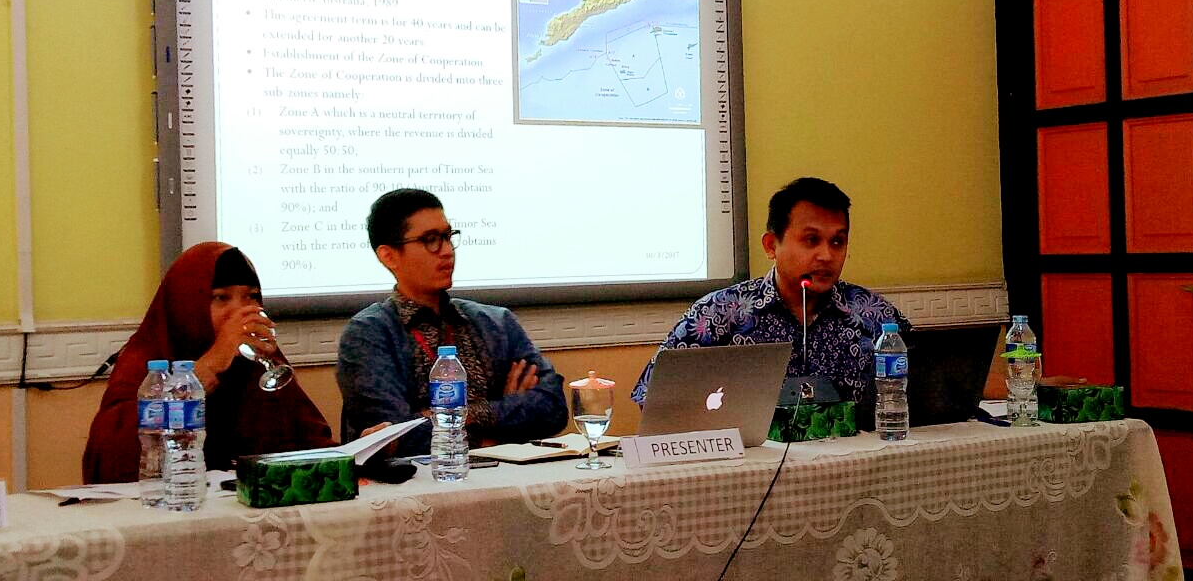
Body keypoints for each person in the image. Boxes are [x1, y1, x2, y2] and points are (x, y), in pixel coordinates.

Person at [631, 177, 911, 417]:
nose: (827, 255)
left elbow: (921, 393)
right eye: (811, 240)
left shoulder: (875, 314)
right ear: (771, 246)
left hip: (857, 459)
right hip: (749, 461)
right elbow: (653, 399)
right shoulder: (717, 314)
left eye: (837, 241)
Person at [337, 188, 568, 456]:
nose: (447, 251)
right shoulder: (368, 334)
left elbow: (553, 407)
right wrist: (498, 431)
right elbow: (392, 437)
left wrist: (471, 414)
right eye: (431, 240)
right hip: (419, 481)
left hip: (508, 475)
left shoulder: (496, 323)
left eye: (448, 237)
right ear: (389, 256)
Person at [83, 242, 333, 483]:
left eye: (251, 297)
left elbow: (312, 442)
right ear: (187, 303)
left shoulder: (260, 360)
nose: (241, 311)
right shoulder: (148, 357)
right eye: (221, 298)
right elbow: (109, 461)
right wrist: (202, 372)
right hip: (176, 500)